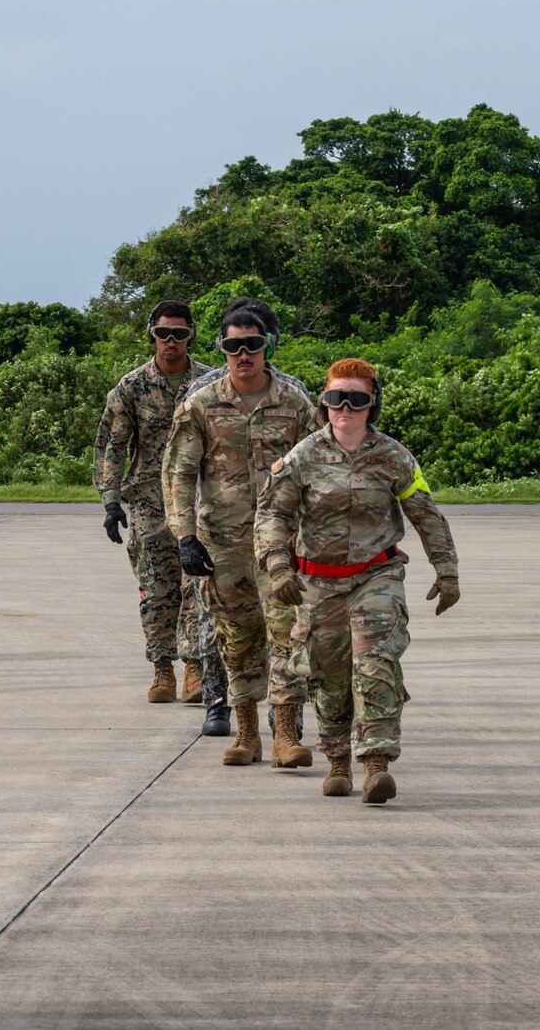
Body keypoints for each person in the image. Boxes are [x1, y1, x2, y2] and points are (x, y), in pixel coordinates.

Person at [258, 358, 460, 803]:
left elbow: (426, 514)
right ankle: (337, 762)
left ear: (373, 404)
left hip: (376, 576)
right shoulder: (302, 457)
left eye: (356, 399)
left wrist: (447, 570)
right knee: (329, 676)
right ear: (324, 403)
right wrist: (278, 565)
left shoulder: (395, 457)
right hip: (319, 583)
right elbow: (272, 514)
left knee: (376, 663)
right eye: (336, 398)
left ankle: (375, 764)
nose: (345, 408)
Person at [166, 301, 319, 768]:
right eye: (233, 346)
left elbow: (319, 467)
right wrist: (185, 536)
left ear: (266, 346)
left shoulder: (294, 403)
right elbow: (178, 473)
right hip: (223, 544)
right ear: (222, 350)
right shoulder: (202, 404)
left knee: (288, 634)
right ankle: (247, 734)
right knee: (236, 637)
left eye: (252, 344)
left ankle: (286, 736)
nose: (243, 354)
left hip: (282, 543)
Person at [92, 299, 230, 736]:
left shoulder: (209, 383)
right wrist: (111, 500)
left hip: (198, 500)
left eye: (180, 334)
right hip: (149, 502)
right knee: (157, 588)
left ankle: (195, 667)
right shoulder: (131, 388)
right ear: (151, 334)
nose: (171, 342)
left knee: (197, 586)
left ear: (191, 336)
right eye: (163, 334)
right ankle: (162, 668)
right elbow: (112, 447)